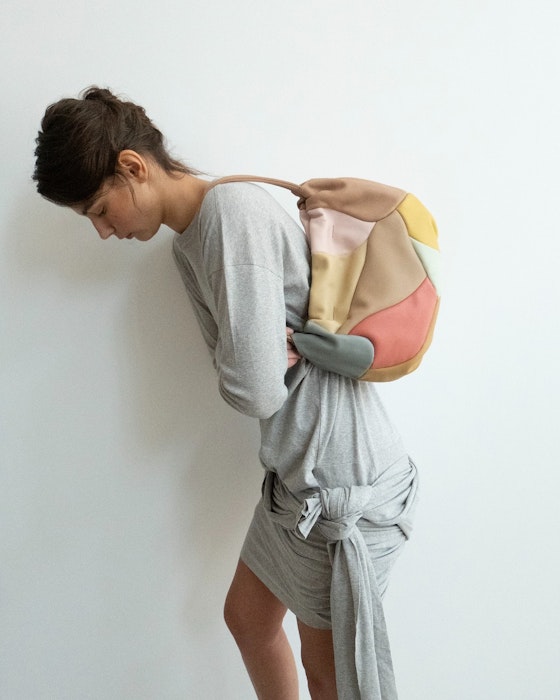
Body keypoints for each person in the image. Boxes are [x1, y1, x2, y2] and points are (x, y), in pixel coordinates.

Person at [33, 87, 419, 700]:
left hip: (341, 479)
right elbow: (239, 369)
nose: (104, 232)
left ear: (133, 167)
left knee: (328, 675)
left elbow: (255, 390)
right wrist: (252, 362)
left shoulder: (230, 216)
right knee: (248, 618)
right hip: (297, 477)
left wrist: (251, 364)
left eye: (100, 210)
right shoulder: (189, 243)